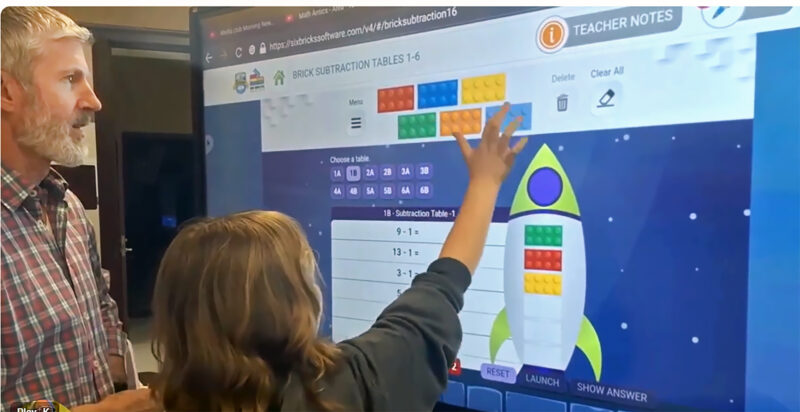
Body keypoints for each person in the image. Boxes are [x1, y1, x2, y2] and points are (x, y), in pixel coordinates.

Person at [150, 103, 527, 410]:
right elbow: (444, 282)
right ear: (296, 306)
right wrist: (485, 181)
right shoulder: (354, 385)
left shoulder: (170, 401)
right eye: (306, 272)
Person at [1, 6, 157, 411]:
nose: (94, 101)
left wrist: (121, 379)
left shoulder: (66, 204)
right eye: (71, 79)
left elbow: (101, 303)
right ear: (6, 92)